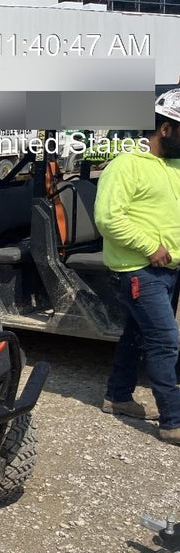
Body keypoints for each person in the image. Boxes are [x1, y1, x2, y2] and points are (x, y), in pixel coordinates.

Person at [95, 88, 180, 445]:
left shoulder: (174, 166)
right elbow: (107, 218)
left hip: (170, 269)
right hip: (139, 269)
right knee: (165, 341)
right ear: (166, 129)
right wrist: (150, 247)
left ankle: (117, 396)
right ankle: (173, 421)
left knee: (136, 334)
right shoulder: (126, 166)